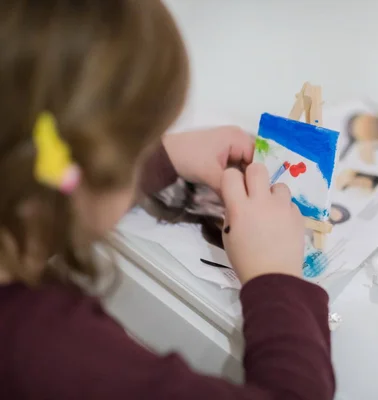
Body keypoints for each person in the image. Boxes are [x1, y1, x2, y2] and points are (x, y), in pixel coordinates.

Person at [0, 1, 335, 399]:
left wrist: (161, 157)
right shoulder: (49, 356)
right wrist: (276, 279)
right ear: (91, 172)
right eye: (136, 152)